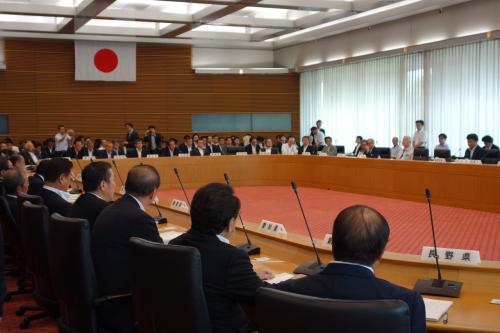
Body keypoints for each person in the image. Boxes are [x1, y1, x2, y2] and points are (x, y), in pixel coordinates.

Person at [273, 205, 426, 333]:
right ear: (382, 251)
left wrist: (295, 282)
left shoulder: (288, 290)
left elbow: (258, 292)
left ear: (333, 244)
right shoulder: (407, 301)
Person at [170, 183, 273, 333]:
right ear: (230, 223)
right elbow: (264, 297)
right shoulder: (232, 258)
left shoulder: (175, 244)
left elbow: (208, 275)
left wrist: (245, 276)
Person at [93, 164, 163, 333]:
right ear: (154, 193)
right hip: (121, 299)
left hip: (102, 286)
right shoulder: (140, 218)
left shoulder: (112, 207)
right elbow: (162, 260)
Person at [68, 162, 115, 229]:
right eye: (113, 180)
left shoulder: (79, 201)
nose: (114, 184)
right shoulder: (106, 211)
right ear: (103, 185)